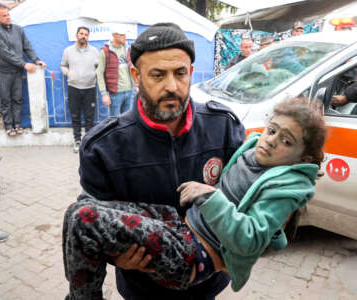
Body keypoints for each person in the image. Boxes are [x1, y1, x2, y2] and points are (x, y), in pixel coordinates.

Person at [63, 96, 326, 298]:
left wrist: (210, 196)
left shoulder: (287, 187)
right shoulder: (250, 145)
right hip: (179, 224)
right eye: (272, 130)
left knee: (86, 220)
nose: (271, 141)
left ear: (303, 158)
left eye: (287, 141)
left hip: (192, 255)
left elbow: (251, 240)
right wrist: (115, 257)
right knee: (79, 210)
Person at [64, 22, 246, 300]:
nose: (171, 86)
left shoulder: (223, 127)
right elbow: (96, 227)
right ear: (136, 75)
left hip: (208, 284)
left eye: (180, 74)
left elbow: (245, 201)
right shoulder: (102, 146)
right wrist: (117, 257)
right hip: (142, 288)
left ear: (191, 73)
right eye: (158, 75)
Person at [0, 5, 46, 137]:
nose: (7, 17)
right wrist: (24, 64)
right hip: (3, 71)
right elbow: (5, 53)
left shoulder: (18, 30)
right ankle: (8, 125)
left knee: (18, 98)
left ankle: (17, 124)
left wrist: (36, 59)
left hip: (17, 71)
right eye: (4, 15)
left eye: (8, 14)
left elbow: (27, 47)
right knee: (5, 99)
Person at [61, 27, 99, 153]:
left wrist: (95, 74)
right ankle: (77, 140)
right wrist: (68, 73)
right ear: (76, 35)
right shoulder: (68, 51)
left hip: (90, 88)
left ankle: (88, 142)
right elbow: (63, 65)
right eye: (81, 34)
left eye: (86, 34)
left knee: (89, 117)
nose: (84, 36)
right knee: (75, 116)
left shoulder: (94, 51)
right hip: (74, 88)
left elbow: (99, 67)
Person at [96, 25, 134, 117]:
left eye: (125, 35)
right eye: (122, 35)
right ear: (114, 35)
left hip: (129, 91)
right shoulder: (105, 51)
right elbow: (99, 73)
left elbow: (132, 67)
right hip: (115, 93)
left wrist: (135, 84)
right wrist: (104, 94)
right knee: (115, 121)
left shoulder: (127, 49)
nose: (125, 37)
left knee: (128, 120)